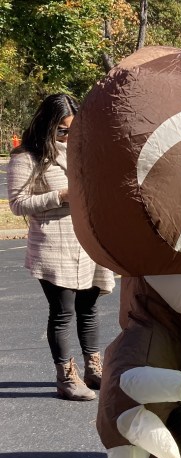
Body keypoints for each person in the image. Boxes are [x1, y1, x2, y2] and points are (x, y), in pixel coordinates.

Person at [7, 94, 115, 401]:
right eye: (62, 131)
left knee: (90, 308)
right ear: (46, 126)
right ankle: (66, 376)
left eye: (73, 129)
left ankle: (94, 368)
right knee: (63, 311)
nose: (68, 136)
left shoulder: (84, 151)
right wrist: (60, 196)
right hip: (54, 241)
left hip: (89, 238)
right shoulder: (26, 157)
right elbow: (17, 204)